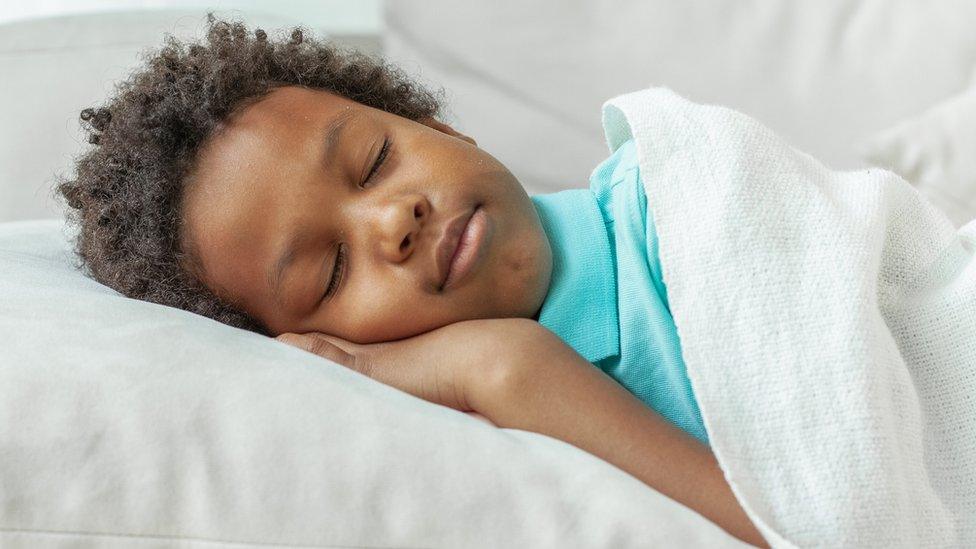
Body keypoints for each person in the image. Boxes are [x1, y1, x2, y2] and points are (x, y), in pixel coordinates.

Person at [56, 14, 768, 548]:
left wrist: (506, 366)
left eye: (375, 161)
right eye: (331, 269)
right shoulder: (477, 440)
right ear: (305, 344)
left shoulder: (670, 195)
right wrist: (493, 369)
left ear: (436, 125)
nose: (396, 219)